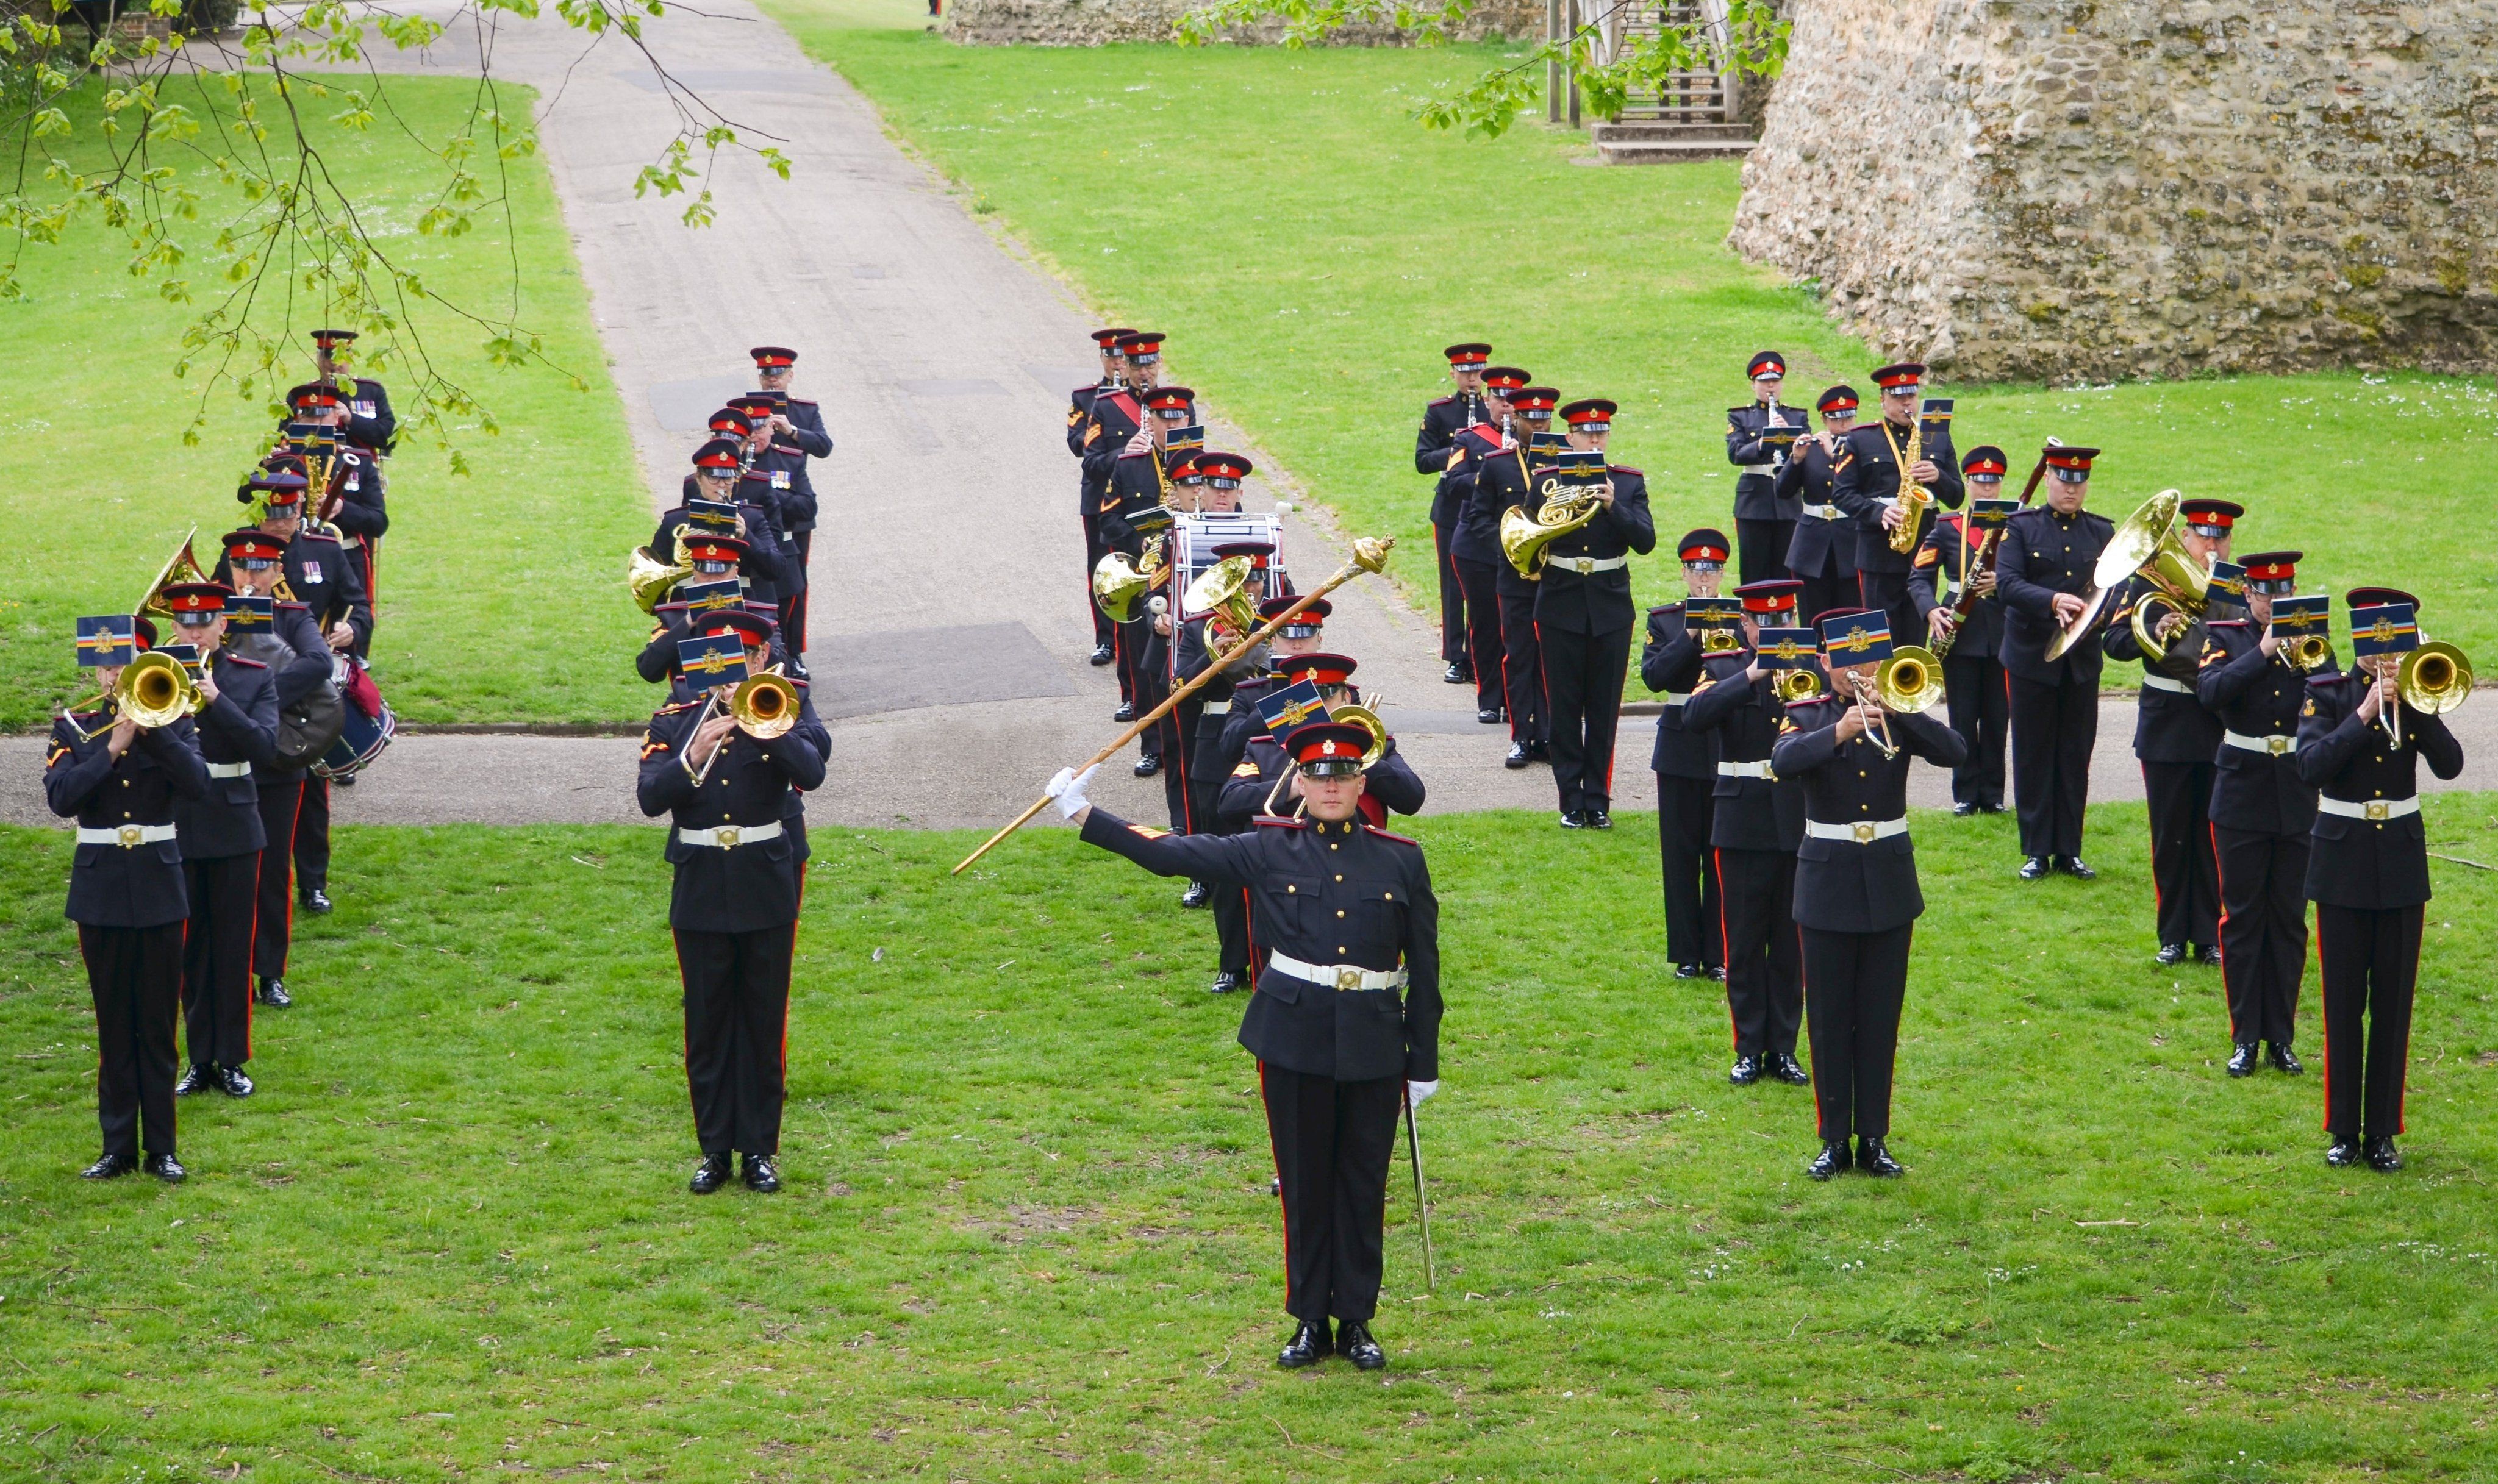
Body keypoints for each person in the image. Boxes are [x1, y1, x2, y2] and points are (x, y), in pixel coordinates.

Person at [1046, 718, 1440, 1372]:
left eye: (1343, 775)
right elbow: (1174, 851)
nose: (1331, 786)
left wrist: (1422, 1062)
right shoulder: (1268, 847)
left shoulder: (1401, 858)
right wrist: (1082, 812)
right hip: (1293, 1039)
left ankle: (1357, 1321)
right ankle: (1309, 1320)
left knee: (1363, 1183)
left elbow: (1425, 968)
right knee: (1305, 1182)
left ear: (1361, 784)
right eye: (1318, 776)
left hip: (1373, 1041)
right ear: (1300, 784)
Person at [637, 608, 828, 1195]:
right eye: (719, 660)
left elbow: (813, 771)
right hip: (700, 881)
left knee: (763, 1020)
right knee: (708, 1020)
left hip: (764, 880)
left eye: (744, 658)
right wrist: (693, 755)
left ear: (762, 658)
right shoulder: (675, 718)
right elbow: (650, 798)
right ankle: (715, 1150)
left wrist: (764, 728)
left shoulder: (786, 705)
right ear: (701, 663)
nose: (732, 671)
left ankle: (760, 1151)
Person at [1772, 608, 1967, 1179]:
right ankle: (1834, 1140)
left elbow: (1955, 751)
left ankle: (1874, 1138)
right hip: (1827, 880)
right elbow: (1783, 761)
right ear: (1825, 661)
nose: (1861, 671)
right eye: (1849, 661)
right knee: (1829, 1018)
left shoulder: (1899, 711)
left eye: (1872, 659)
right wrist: (1839, 731)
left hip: (1888, 879)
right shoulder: (1806, 711)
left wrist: (1902, 712)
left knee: (1880, 1017)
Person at [2298, 588, 2463, 1171]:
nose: (2386, 651)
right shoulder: (2326, 693)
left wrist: (2417, 705)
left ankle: (2383, 1133)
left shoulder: (2416, 698)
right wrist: (2366, 712)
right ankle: (2344, 1130)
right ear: (2360, 639)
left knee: (2393, 1006)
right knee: (2343, 1004)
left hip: (2399, 864)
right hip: (2341, 863)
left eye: (2396, 638)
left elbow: (2451, 765)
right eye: (2378, 638)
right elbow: (2310, 767)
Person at [48, 616, 213, 1181]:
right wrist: (113, 748)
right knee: (115, 1025)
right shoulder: (75, 727)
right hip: (100, 892)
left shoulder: (177, 720)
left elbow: (199, 785)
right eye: (105, 666)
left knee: (159, 1026)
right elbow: (62, 798)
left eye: (124, 665)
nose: (113, 676)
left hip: (159, 886)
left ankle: (161, 1148)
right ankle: (117, 1147)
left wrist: (154, 730)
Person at [211, 471, 368, 920]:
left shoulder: (324, 550)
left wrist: (353, 629)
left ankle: (313, 883)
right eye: (273, 512)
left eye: (289, 510)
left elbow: (357, 605)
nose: (281, 520)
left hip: (298, 699)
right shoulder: (237, 555)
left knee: (311, 798)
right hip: (240, 697)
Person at [2197, 553, 2330, 1079]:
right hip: (2241, 793)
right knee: (2244, 919)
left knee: (2290, 921)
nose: (2274, 602)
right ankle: (2245, 1036)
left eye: (2284, 592)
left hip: (2295, 793)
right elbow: (2210, 692)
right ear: (2248, 594)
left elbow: (2331, 699)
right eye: (2265, 593)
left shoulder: (2313, 641)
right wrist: (2264, 650)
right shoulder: (2224, 637)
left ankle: (2282, 1037)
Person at [1684, 579, 1811, 1085]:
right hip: (1741, 822)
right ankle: (1749, 1048)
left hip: (1796, 820)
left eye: (1785, 619)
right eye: (1766, 622)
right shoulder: (1724, 666)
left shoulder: (1811, 667)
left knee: (1790, 946)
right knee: (1742, 943)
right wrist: (1754, 674)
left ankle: (1784, 1048)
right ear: (1746, 625)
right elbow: (1695, 715)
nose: (1777, 629)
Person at [2105, 498, 2240, 964]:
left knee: (2210, 835)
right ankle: (2172, 936)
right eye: (2203, 536)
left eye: (2221, 537)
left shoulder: (2237, 586)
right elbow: (2114, 641)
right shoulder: (2148, 580)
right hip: (2166, 720)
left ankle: (2208, 935)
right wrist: (2154, 627)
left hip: (2214, 723)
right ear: (2184, 537)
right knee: (2170, 835)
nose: (2212, 546)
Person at [159, 583, 280, 1101]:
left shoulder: (252, 677)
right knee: (191, 951)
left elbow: (266, 747)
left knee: (232, 948)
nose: (196, 633)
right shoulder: (157, 676)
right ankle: (199, 1058)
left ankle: (231, 1059)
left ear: (223, 626)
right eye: (186, 625)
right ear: (174, 628)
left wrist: (216, 699)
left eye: (205, 623)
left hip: (233, 825)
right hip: (180, 824)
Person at [215, 518, 334, 1011]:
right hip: (216, 762)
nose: (250, 575)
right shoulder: (209, 618)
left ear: (278, 570)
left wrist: (259, 697)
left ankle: (269, 973)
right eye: (242, 566)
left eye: (260, 567)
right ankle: (226, 971)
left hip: (274, 769)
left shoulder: (292, 617)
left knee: (271, 873)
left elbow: (320, 662)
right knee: (218, 875)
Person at [1539, 398, 1658, 829]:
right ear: (1569, 437)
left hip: (1610, 606)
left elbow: (1645, 541)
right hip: (1560, 603)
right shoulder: (1548, 482)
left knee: (1605, 710)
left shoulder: (1627, 482)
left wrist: (1613, 506)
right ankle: (1571, 801)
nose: (1595, 439)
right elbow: (1526, 538)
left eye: (1601, 432)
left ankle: (1599, 800)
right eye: (1586, 433)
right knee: (1564, 708)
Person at [1995, 444, 2112, 879]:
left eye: (2079, 482)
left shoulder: (2101, 531)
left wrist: (2098, 613)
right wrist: (2052, 601)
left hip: (2080, 661)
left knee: (2075, 754)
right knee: (2033, 753)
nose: (2071, 489)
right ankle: (2036, 850)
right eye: (2064, 480)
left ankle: (2068, 850)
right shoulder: (2020, 527)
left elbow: (2115, 586)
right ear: (2048, 479)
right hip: (2031, 659)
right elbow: (2007, 584)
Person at [1639, 530, 1731, 977]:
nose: (1704, 577)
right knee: (1679, 856)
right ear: (1684, 573)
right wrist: (1691, 633)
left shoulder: (1740, 620)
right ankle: (1686, 955)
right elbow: (1654, 678)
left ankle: (1717, 954)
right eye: (1697, 569)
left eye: (1712, 569)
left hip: (1725, 744)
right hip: (1679, 747)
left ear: (1722, 574)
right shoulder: (1666, 620)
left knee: (1720, 855)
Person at [1907, 448, 2014, 815]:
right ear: (1968, 483)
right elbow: (1919, 577)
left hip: (2003, 632)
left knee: (1998, 719)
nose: (1987, 489)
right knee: (1963, 716)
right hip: (1958, 629)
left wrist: (2003, 583)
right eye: (1980, 482)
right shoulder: (1947, 526)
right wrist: (1930, 609)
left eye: (1994, 482)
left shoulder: (2016, 526)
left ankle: (1994, 794)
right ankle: (1966, 793)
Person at [1453, 369, 1547, 765]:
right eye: (1531, 419)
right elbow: (1476, 513)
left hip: (1555, 576)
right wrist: (1512, 548)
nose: (1539, 425)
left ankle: (1548, 735)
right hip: (1513, 572)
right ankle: (1520, 733)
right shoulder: (1496, 462)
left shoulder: (1567, 463)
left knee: (1552, 660)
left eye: (1545, 419)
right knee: (1516, 652)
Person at [1832, 364, 1961, 647]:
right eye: (1898, 397)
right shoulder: (1861, 439)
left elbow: (1957, 496)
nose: (1907, 404)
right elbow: (1842, 494)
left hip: (1924, 545)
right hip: (1879, 548)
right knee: (1879, 634)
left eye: (1911, 396)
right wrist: (1879, 512)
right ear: (1882, 400)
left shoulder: (1937, 438)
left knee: (1918, 627)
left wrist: (1938, 477)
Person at [750, 348, 836, 649]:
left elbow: (824, 446)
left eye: (778, 375)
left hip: (791, 509)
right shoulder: (748, 412)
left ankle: (794, 649)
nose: (772, 381)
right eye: (766, 375)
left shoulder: (803, 411)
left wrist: (793, 431)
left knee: (795, 584)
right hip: (755, 512)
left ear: (790, 376)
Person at [1419, 343, 1492, 685]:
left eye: (1477, 372)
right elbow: (1422, 461)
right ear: (1453, 374)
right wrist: (1459, 450)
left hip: (1488, 507)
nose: (1472, 378)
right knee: (1453, 587)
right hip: (1451, 508)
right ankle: (1456, 657)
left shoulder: (1495, 410)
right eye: (1465, 372)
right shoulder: (1441, 412)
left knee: (1485, 587)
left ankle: (1480, 656)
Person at [1070, 328, 1136, 666]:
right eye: (1111, 356)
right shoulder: (1087, 398)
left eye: (1122, 357)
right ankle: (1106, 640)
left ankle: (1136, 638)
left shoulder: (1149, 402)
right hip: (1099, 495)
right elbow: (1078, 445)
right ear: (1102, 358)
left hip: (1139, 494)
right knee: (1101, 569)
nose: (1117, 362)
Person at [1781, 385, 1861, 626]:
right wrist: (1796, 460)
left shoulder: (1862, 448)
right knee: (1812, 618)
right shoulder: (1812, 448)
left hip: (1850, 542)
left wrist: (1835, 456)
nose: (1844, 424)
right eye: (1837, 419)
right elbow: (1783, 491)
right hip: (1811, 544)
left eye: (1849, 417)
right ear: (1824, 420)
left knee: (1851, 620)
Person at [1725, 351, 1804, 584]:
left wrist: (1788, 433)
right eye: (1764, 381)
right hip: (1753, 502)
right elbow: (1735, 454)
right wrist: (1762, 443)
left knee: (1786, 572)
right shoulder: (1740, 417)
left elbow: (1807, 454)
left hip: (1788, 501)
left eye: (1775, 381)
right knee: (1754, 572)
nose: (1771, 386)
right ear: (1753, 385)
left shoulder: (1796, 417)